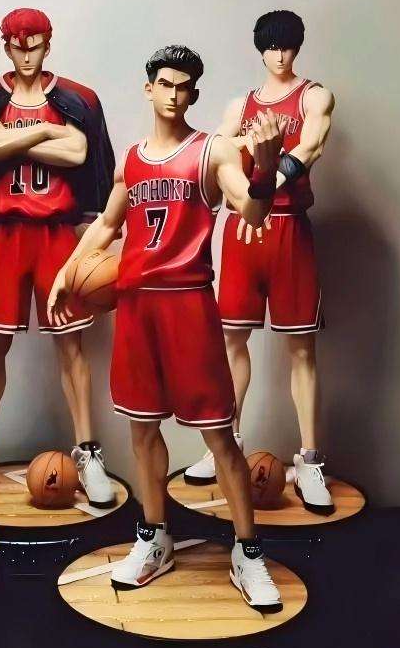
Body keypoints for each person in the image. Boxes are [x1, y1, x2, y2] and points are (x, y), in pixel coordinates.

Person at [49, 45, 284, 611]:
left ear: (194, 94)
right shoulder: (130, 160)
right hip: (136, 306)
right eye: (165, 83)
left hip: (188, 303)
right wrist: (65, 271)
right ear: (149, 87)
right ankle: (154, 538)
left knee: (220, 436)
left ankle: (247, 551)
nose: (174, 94)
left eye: (184, 86)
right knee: (141, 429)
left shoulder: (212, 151)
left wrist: (267, 164)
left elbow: (251, 210)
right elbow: (106, 226)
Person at [0, 9, 116, 507]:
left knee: (72, 348)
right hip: (5, 234)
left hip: (58, 234)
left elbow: (81, 153)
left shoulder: (77, 99)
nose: (26, 55)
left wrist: (12, 139)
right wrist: (45, 133)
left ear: (48, 44)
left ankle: (87, 452)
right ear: (5, 47)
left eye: (34, 45)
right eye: (17, 46)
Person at [184, 11, 336, 515]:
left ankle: (309, 461)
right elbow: (216, 151)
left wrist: (265, 178)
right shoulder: (241, 105)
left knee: (301, 349)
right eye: (271, 47)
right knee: (231, 339)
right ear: (260, 50)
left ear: (298, 48)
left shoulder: (314, 96)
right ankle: (225, 444)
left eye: (287, 46)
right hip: (245, 230)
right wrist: (250, 150)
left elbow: (310, 145)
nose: (280, 55)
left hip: (288, 227)